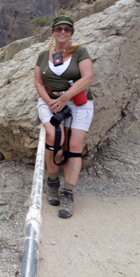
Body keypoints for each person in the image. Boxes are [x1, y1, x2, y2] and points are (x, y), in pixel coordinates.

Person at [34, 15, 94, 218]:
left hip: (78, 103)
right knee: (54, 139)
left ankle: (67, 193)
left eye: (67, 29)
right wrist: (51, 102)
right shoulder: (43, 56)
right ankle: (52, 182)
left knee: (74, 146)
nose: (63, 31)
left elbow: (88, 77)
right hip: (50, 103)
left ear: (72, 32)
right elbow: (38, 83)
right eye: (59, 28)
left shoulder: (80, 52)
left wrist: (66, 97)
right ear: (53, 31)